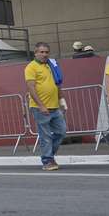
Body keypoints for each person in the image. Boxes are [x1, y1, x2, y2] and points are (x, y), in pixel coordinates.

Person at [25, 43, 67, 171]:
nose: (44, 54)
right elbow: (31, 88)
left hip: (54, 106)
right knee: (46, 135)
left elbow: (58, 83)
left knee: (61, 132)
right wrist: (41, 105)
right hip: (40, 108)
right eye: (41, 52)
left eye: (46, 52)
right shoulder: (31, 67)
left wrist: (62, 100)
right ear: (35, 53)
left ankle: (48, 155)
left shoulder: (51, 65)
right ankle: (47, 160)